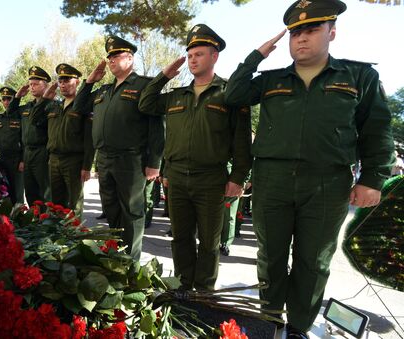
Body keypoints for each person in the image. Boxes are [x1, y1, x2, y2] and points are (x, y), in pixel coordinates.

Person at [225, 0, 395, 337]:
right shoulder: (270, 79)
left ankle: (299, 327)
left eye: (312, 29)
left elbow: (377, 128)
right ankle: (270, 320)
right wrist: (257, 55)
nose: (301, 38)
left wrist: (373, 179)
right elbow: (233, 94)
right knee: (270, 257)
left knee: (313, 262)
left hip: (327, 183)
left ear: (332, 32)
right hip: (272, 180)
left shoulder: (359, 75)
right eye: (295, 32)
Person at [138, 24, 252, 291]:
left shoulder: (228, 94)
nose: (192, 60)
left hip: (211, 179)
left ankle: (204, 292)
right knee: (180, 238)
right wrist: (164, 75)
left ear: (214, 56)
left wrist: (238, 178)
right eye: (190, 55)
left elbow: (242, 143)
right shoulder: (177, 95)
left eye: (199, 54)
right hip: (176, 178)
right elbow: (145, 103)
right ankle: (182, 285)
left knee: (210, 243)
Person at [73, 36, 165, 260]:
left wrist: (154, 163)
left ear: (130, 58)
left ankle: (131, 263)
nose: (111, 60)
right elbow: (79, 107)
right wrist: (89, 82)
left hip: (131, 159)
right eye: (109, 57)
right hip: (105, 159)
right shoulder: (103, 90)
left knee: (132, 213)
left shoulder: (144, 85)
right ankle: (115, 256)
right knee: (111, 209)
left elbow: (157, 127)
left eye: (116, 55)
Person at [35, 63, 95, 216]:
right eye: (60, 81)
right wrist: (44, 100)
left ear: (77, 82)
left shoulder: (83, 106)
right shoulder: (54, 106)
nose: (63, 85)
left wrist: (87, 166)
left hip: (74, 160)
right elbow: (35, 120)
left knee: (74, 203)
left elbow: (89, 139)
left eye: (67, 81)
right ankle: (58, 236)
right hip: (53, 160)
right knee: (55, 203)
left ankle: (74, 237)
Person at [7, 66, 51, 205]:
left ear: (46, 86)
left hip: (43, 152)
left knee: (45, 192)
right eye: (30, 84)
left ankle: (47, 222)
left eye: (36, 84)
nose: (32, 87)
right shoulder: (26, 107)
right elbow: (10, 113)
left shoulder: (52, 105)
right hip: (27, 153)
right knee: (30, 191)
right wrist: (18, 97)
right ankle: (35, 222)